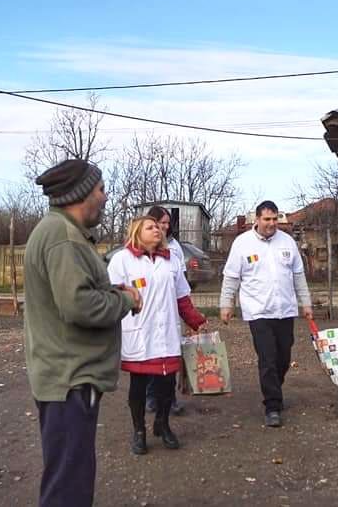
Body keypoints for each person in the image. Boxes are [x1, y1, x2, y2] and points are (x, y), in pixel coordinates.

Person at [23, 159, 142, 507]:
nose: (105, 198)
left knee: (70, 476)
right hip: (70, 379)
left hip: (66, 377)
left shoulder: (62, 233)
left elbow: (79, 292)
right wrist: (124, 300)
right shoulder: (63, 237)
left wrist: (112, 292)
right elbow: (78, 306)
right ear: (81, 195)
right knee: (68, 488)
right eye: (101, 190)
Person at [107, 216, 206, 455]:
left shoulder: (171, 260)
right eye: (150, 227)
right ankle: (139, 430)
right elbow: (109, 292)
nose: (157, 230)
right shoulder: (122, 259)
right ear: (136, 232)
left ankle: (162, 424)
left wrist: (195, 321)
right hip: (140, 333)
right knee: (138, 386)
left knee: (166, 384)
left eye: (159, 227)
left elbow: (182, 296)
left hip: (167, 333)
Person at [219, 200, 312, 427]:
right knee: (268, 358)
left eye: (274, 219)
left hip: (284, 310)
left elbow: (298, 276)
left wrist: (306, 303)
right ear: (257, 220)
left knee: (284, 357)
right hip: (258, 310)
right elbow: (231, 277)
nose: (271, 224)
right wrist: (226, 304)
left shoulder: (287, 242)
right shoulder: (242, 244)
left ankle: (274, 388)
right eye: (266, 219)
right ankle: (272, 405)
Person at [145, 205, 187, 416]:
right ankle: (151, 396)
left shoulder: (174, 247)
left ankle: (170, 399)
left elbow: (180, 279)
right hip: (149, 314)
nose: (164, 227)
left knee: (171, 355)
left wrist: (187, 311)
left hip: (170, 311)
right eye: (160, 222)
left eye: (167, 223)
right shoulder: (140, 249)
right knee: (152, 354)